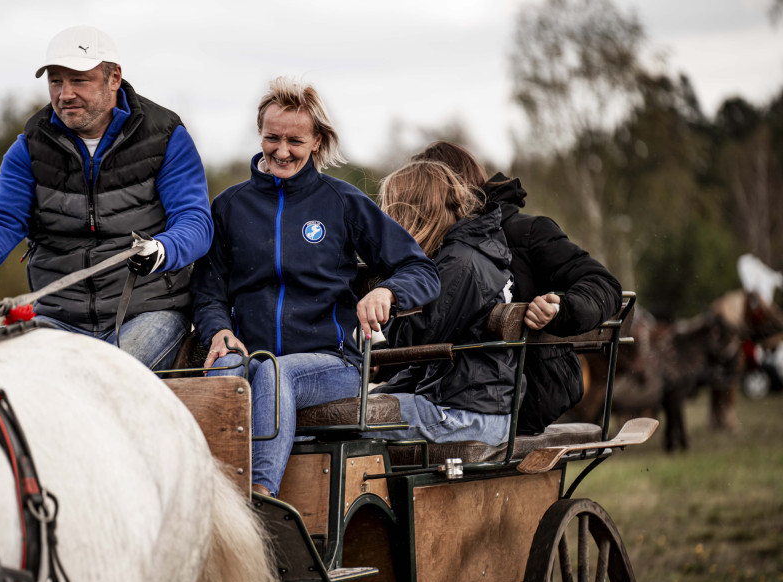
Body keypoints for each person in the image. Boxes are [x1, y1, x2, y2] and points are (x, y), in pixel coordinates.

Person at [192, 77, 440, 498]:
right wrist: (218, 330)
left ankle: (258, 498)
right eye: (272, 138)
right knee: (224, 373)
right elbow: (207, 290)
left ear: (318, 142)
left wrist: (387, 292)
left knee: (273, 372)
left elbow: (421, 270)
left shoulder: (342, 201)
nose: (282, 151)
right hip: (251, 356)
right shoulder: (231, 206)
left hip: (335, 363)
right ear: (260, 134)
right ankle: (206, 498)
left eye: (295, 140)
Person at [0, 25, 213, 370]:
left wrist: (163, 249)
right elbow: (3, 218)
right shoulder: (29, 148)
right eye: (55, 81)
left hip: (148, 312)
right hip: (57, 317)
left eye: (79, 80)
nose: (65, 94)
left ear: (114, 78)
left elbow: (195, 221)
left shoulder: (167, 137)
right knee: (0, 374)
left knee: (108, 376)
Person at [414, 141, 622, 434]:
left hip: (529, 392)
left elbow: (604, 285)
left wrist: (559, 308)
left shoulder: (528, 233)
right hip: (456, 392)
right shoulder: (444, 247)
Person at [369, 160, 517, 446]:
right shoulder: (470, 252)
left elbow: (413, 343)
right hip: (473, 405)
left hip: (464, 413)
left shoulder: (458, 262)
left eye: (392, 212)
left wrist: (388, 289)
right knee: (352, 409)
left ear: (415, 212)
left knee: (339, 422)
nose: (387, 223)